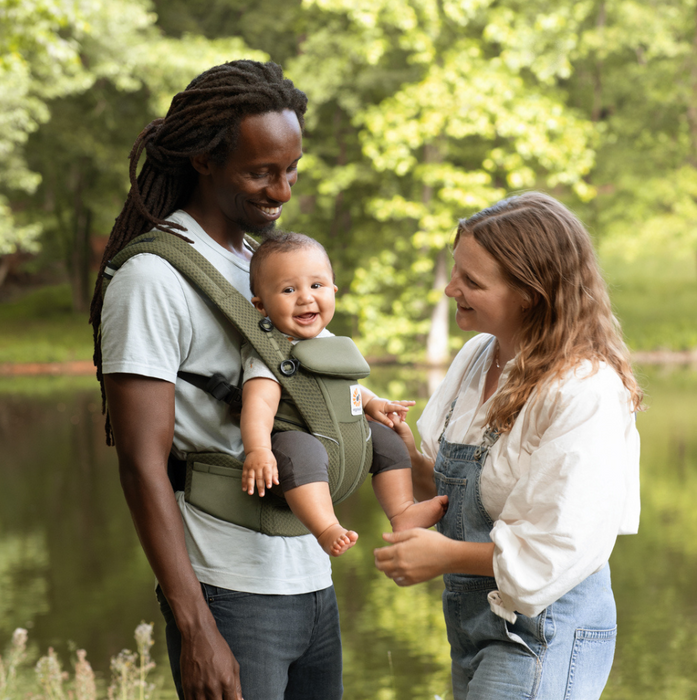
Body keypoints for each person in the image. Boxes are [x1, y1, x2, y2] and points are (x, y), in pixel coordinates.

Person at [90, 60, 343, 700]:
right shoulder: (154, 278)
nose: (282, 191)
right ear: (204, 160)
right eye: (260, 172)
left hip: (311, 580)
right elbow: (141, 465)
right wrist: (196, 626)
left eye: (290, 169)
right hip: (230, 593)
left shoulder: (269, 263)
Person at [374, 192, 641, 699]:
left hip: (544, 630)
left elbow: (555, 548)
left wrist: (443, 555)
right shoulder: (479, 354)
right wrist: (404, 457)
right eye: (457, 272)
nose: (452, 288)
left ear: (530, 293)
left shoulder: (584, 389)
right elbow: (468, 489)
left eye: (472, 281)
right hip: (477, 626)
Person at [240, 231, 448, 556]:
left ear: (333, 292)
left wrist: (373, 402)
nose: (306, 298)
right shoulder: (270, 354)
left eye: (316, 286)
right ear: (261, 305)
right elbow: (258, 405)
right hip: (297, 434)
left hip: (342, 433)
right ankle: (326, 526)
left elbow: (345, 384)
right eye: (288, 289)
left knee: (388, 441)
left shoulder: (329, 342)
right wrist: (258, 450)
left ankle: (402, 511)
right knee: (300, 452)